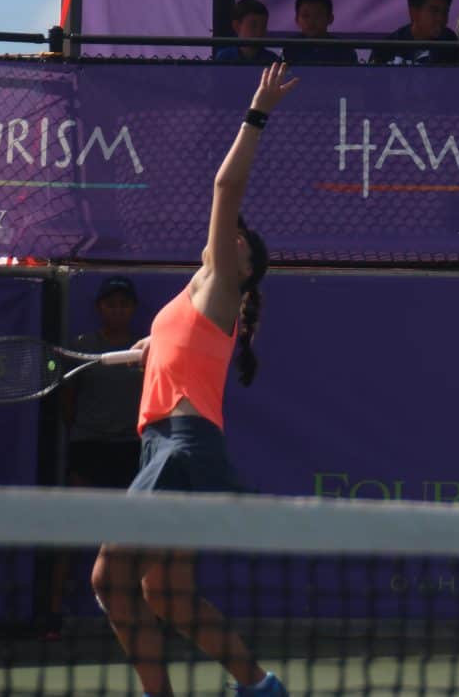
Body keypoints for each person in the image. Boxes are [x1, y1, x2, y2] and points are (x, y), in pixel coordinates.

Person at [90, 63, 298, 697]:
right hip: (173, 443)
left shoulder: (221, 288)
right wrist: (146, 350)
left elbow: (224, 185)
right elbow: (172, 349)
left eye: (238, 241)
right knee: (166, 596)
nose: (228, 237)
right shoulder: (192, 300)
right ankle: (260, 686)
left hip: (180, 447)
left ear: (243, 270)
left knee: (108, 581)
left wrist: (256, 115)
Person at [42, 275, 146, 638]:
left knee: (135, 537)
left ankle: (140, 614)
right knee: (71, 530)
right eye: (110, 303)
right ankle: (52, 613)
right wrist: (89, 429)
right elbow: (68, 402)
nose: (117, 310)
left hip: (132, 451)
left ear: (132, 308)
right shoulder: (83, 345)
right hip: (88, 449)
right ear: (99, 308)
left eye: (123, 303)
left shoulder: (142, 349)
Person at [369, 0, 459, 66]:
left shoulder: (449, 42)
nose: (441, 18)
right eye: (434, 11)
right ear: (414, 12)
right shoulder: (386, 47)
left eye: (445, 12)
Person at [280, 0, 358, 64]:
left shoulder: (344, 50)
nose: (311, 21)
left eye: (318, 15)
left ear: (330, 19)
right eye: (305, 16)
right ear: (297, 20)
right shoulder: (290, 48)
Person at [212, 0, 281, 64]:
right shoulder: (224, 58)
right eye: (253, 25)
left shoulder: (272, 60)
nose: (259, 31)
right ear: (237, 26)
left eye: (263, 26)